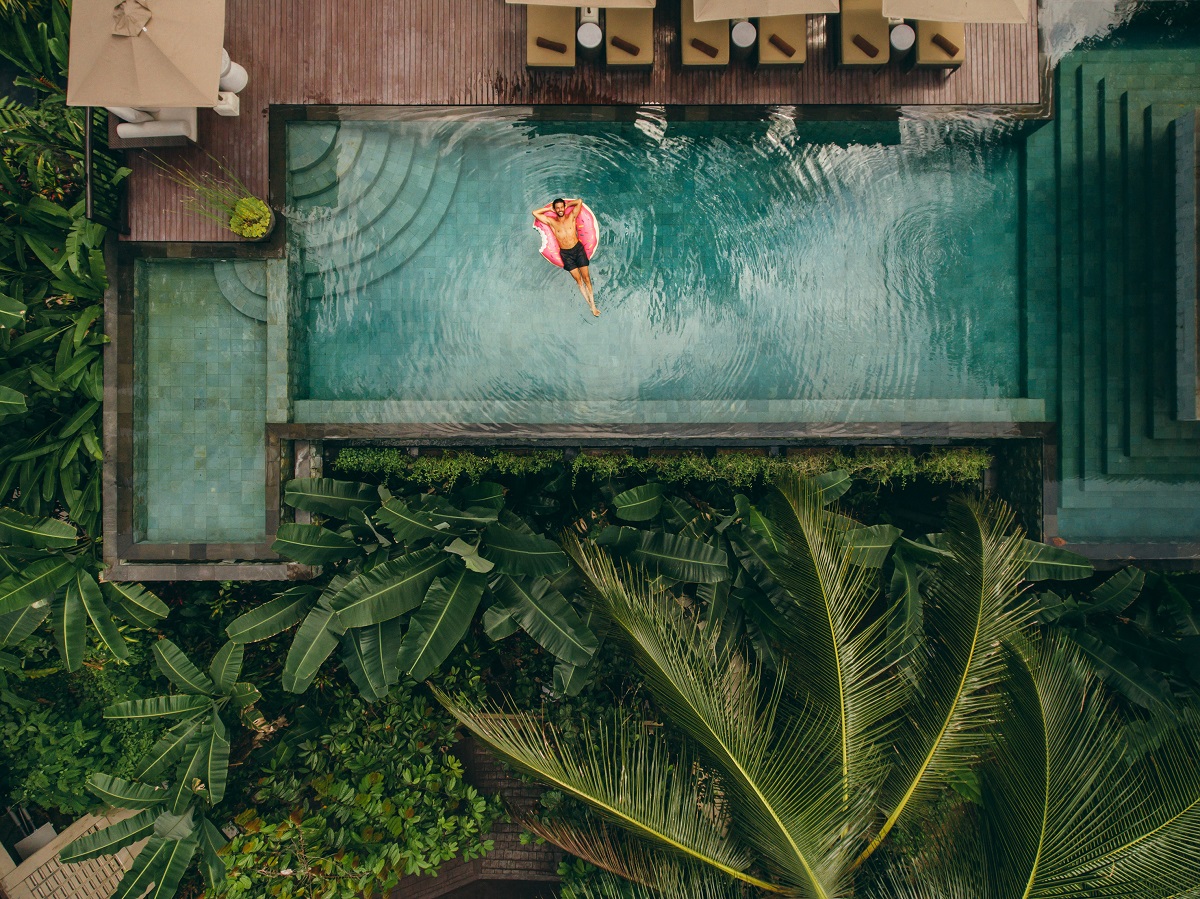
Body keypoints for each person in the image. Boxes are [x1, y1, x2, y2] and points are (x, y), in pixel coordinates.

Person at [532, 198, 599, 316]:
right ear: (555, 209)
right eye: (557, 208)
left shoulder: (571, 216)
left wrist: (568, 205)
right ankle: (589, 305)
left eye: (561, 207)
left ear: (564, 207)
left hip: (578, 250)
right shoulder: (552, 221)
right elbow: (535, 213)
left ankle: (593, 305)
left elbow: (579, 201)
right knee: (578, 281)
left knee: (586, 278)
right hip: (566, 254)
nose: (560, 210)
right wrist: (549, 209)